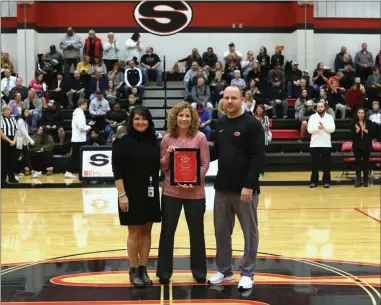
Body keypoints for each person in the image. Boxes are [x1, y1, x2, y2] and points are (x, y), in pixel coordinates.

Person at [208, 86, 265, 290]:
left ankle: (248, 272)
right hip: (222, 187)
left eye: (234, 98)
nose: (229, 101)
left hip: (245, 189)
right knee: (221, 231)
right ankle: (225, 270)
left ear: (242, 99)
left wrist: (249, 185)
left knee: (249, 232)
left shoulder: (253, 124)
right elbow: (217, 152)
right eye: (226, 98)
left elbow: (258, 157)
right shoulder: (220, 122)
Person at [157, 102, 210, 285]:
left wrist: (195, 180)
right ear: (175, 117)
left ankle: (199, 271)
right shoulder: (167, 139)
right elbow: (162, 165)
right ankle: (164, 272)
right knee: (167, 232)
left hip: (195, 194)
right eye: (181, 115)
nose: (184, 119)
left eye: (187, 116)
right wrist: (168, 157)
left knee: (197, 233)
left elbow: (204, 164)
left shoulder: (200, 137)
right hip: (171, 193)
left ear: (193, 118)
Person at [112, 106, 161, 286]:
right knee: (134, 231)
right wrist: (122, 195)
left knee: (147, 231)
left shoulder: (154, 141)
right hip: (130, 193)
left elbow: (159, 165)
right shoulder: (121, 142)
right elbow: (116, 171)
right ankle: (133, 269)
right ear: (131, 121)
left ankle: (143, 269)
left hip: (150, 191)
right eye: (137, 119)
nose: (141, 122)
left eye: (144, 119)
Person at [307, 100, 336, 188]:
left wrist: (324, 128)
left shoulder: (330, 117)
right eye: (318, 107)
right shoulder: (312, 117)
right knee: (314, 164)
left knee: (326, 164)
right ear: (316, 108)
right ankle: (314, 181)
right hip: (314, 144)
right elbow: (309, 130)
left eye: (321, 107)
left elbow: (332, 129)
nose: (320, 108)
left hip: (326, 144)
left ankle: (326, 181)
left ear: (324, 107)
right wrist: (317, 129)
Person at [64, 99, 92, 179]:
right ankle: (69, 172)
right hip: (78, 139)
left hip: (79, 138)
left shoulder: (79, 112)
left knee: (77, 157)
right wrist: (89, 127)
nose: (87, 106)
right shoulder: (79, 113)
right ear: (82, 104)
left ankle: (78, 172)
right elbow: (81, 127)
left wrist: (87, 125)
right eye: (86, 104)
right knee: (75, 157)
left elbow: (81, 125)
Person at [16, 108, 41, 178]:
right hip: (19, 142)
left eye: (28, 111)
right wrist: (31, 140)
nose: (28, 113)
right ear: (22, 113)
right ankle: (9, 173)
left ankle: (32, 172)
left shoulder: (24, 120)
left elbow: (25, 132)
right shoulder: (20, 121)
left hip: (23, 142)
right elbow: (24, 132)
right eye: (26, 112)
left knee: (27, 157)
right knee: (15, 158)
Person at [352, 108, 373, 187]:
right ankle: (358, 180)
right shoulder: (353, 123)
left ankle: (366, 180)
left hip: (366, 146)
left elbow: (373, 134)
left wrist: (366, 130)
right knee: (358, 163)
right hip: (357, 146)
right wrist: (356, 131)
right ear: (357, 114)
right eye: (359, 113)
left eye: (362, 113)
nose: (360, 114)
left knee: (365, 163)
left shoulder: (369, 122)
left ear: (365, 114)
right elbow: (350, 136)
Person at [1, 105, 19, 184]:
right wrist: (9, 141)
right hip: (4, 140)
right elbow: (1, 133)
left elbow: (16, 130)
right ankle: (2, 178)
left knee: (12, 160)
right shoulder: (1, 119)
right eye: (5, 110)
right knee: (4, 160)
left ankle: (11, 177)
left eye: (8, 109)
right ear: (3, 111)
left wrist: (14, 140)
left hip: (13, 140)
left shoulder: (13, 118)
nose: (7, 111)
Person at [254, 104, 271, 178]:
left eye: (261, 109)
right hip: (254, 140)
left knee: (261, 156)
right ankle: (254, 171)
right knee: (254, 157)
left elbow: (266, 128)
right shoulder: (253, 117)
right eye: (258, 108)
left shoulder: (265, 118)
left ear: (263, 110)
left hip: (263, 139)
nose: (259, 110)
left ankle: (261, 172)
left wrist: (259, 122)